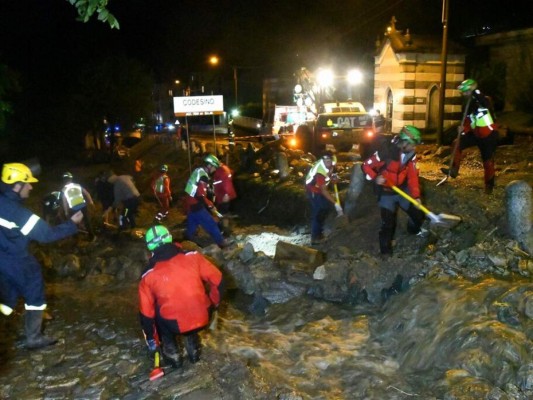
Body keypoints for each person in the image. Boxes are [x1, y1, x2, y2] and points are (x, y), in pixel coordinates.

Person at [0, 162, 83, 350]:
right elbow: (46, 235)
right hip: (18, 260)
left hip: (2, 261)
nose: (31, 186)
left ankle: (5, 330)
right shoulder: (18, 213)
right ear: (16, 185)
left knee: (8, 297)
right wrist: (72, 224)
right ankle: (34, 337)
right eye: (27, 183)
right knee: (34, 293)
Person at [139, 225, 223, 367]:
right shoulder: (193, 256)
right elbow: (219, 281)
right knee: (189, 297)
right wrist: (214, 304)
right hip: (203, 317)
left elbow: (146, 315)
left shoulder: (148, 274)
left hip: (173, 324)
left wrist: (152, 341)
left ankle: (173, 354)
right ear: (170, 238)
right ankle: (193, 347)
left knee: (155, 308)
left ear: (150, 247)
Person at [362, 125, 426, 256]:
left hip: (402, 189)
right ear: (405, 142)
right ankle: (385, 253)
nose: (415, 148)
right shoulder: (385, 152)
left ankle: (413, 231)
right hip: (386, 192)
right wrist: (376, 177)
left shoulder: (411, 155)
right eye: (413, 144)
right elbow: (366, 166)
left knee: (417, 214)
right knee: (388, 224)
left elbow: (413, 176)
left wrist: (416, 196)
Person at [441, 78, 499, 194]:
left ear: (471, 90)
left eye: (465, 92)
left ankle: (489, 187)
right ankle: (453, 169)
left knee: (488, 162)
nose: (463, 94)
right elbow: (468, 121)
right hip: (475, 134)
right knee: (456, 143)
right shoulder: (468, 105)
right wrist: (463, 130)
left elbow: (485, 104)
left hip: (488, 135)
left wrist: (476, 92)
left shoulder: (483, 100)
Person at [184, 159, 228, 248]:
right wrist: (210, 205)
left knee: (192, 223)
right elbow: (200, 195)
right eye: (214, 167)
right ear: (209, 165)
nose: (214, 170)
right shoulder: (203, 176)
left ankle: (186, 241)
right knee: (211, 223)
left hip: (189, 201)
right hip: (196, 203)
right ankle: (221, 243)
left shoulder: (198, 170)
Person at [305, 151, 343, 245]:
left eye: (329, 160)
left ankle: (319, 232)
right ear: (322, 160)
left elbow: (332, 170)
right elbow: (323, 190)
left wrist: (334, 176)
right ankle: (315, 237)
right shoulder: (320, 172)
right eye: (326, 160)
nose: (328, 162)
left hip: (321, 187)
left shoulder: (332, 161)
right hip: (313, 189)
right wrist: (336, 204)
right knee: (318, 212)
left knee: (325, 207)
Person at [204, 154, 237, 235]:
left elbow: (227, 182)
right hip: (221, 196)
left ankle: (223, 231)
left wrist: (226, 194)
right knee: (223, 213)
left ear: (213, 165)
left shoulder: (221, 171)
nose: (207, 168)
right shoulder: (222, 169)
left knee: (221, 213)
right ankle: (224, 230)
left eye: (208, 166)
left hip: (224, 197)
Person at [61, 171, 96, 240]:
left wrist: (66, 212)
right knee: (87, 221)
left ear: (64, 180)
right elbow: (87, 193)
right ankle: (92, 237)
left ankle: (77, 239)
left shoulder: (63, 190)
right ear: (71, 179)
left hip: (74, 209)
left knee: (74, 223)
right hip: (83, 206)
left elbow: (64, 202)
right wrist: (91, 202)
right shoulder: (77, 185)